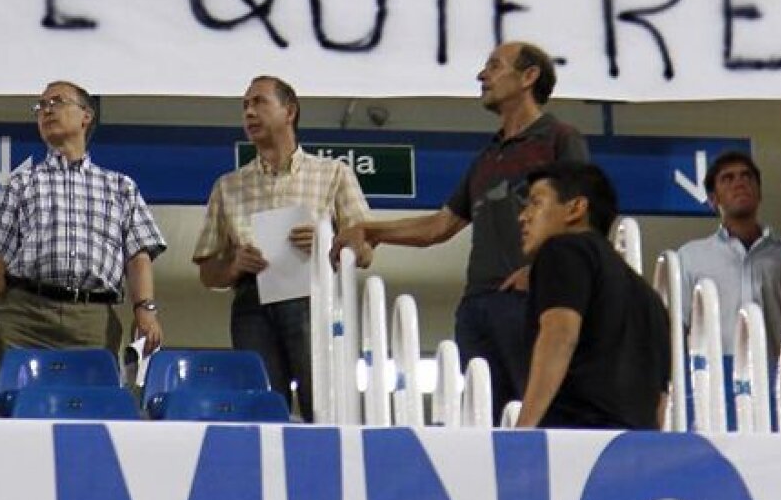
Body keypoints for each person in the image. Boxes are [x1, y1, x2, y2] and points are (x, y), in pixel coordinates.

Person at [331, 41, 589, 424]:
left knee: (541, 419)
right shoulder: (487, 157)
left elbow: (582, 213)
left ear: (529, 76)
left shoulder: (560, 138)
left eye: (494, 66)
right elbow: (440, 225)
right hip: (477, 307)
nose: (482, 76)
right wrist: (371, 229)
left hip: (531, 302)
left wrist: (544, 271)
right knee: (484, 423)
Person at [193, 76, 371, 421]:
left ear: (289, 111)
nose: (249, 112)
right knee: (260, 406)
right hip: (251, 302)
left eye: (259, 102)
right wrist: (233, 266)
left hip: (312, 295)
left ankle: (326, 467)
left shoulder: (334, 173)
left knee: (321, 402)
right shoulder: (228, 185)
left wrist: (329, 243)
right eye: (245, 106)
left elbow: (364, 252)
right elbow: (206, 272)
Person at [0, 81, 166, 395]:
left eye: (57, 102)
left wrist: (145, 309)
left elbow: (138, 255)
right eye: (40, 106)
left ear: (86, 116)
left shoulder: (120, 187)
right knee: (9, 407)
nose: (46, 110)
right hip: (23, 316)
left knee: (89, 407)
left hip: (91, 319)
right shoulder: (19, 184)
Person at [516, 162, 669, 429]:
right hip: (634, 450)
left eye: (535, 203)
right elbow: (660, 399)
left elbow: (560, 334)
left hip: (574, 442)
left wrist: (523, 431)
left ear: (575, 208)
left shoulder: (562, 249)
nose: (523, 216)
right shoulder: (650, 299)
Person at [678, 150, 781, 357]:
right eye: (727, 179)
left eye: (747, 176)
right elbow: (678, 327)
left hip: (780, 380)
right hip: (714, 383)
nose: (739, 183)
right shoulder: (690, 257)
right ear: (712, 199)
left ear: (759, 193)